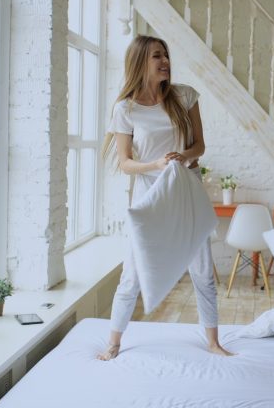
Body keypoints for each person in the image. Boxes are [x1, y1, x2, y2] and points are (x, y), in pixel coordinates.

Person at [97, 35, 232, 360]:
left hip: (184, 191)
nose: (165, 61)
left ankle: (213, 341)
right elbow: (127, 162)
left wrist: (183, 157)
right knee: (132, 274)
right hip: (150, 198)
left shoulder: (184, 96)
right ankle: (113, 343)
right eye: (157, 56)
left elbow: (199, 146)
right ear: (141, 61)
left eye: (166, 55)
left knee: (202, 269)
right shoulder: (125, 109)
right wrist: (155, 164)